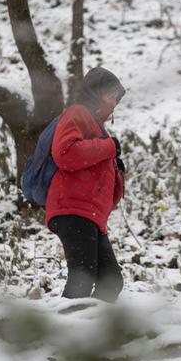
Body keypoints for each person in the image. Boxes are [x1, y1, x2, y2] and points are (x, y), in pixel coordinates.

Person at [46, 67, 127, 302]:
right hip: (72, 209)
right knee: (83, 279)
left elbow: (102, 193)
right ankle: (62, 334)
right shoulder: (77, 114)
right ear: (97, 92)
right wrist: (110, 147)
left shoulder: (97, 128)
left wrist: (117, 175)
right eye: (112, 95)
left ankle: (89, 334)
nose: (115, 102)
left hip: (91, 215)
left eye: (117, 98)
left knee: (111, 280)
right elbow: (65, 153)